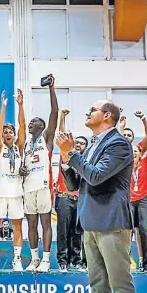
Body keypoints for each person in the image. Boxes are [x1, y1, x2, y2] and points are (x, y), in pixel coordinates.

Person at [57, 99, 137, 293]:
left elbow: (95, 176)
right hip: (91, 222)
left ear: (106, 116)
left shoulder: (118, 144)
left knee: (121, 286)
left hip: (112, 222)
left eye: (92, 109)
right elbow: (76, 183)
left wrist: (73, 154)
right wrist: (66, 158)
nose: (87, 112)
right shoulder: (93, 144)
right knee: (98, 284)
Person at [21, 74, 59, 273]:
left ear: (42, 127)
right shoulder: (26, 144)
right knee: (31, 224)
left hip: (44, 185)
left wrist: (51, 89)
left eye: (34, 121)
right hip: (28, 187)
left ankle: (46, 260)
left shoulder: (47, 140)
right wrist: (21, 170)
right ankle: (34, 259)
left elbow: (54, 112)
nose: (30, 123)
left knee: (45, 223)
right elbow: (22, 166)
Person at [0, 89, 25, 271]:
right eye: (5, 132)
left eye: (10, 131)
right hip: (0, 193)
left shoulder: (19, 147)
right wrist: (3, 107)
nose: (7, 133)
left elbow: (23, 124)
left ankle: (17, 259)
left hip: (16, 194)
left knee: (17, 226)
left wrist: (20, 105)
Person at [55, 108, 88, 272]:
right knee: (63, 231)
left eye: (83, 143)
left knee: (77, 232)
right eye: (77, 143)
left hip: (81, 200)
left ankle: (76, 260)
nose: (79, 145)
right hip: (64, 197)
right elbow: (62, 136)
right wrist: (62, 117)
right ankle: (63, 261)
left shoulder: (86, 161)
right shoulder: (66, 154)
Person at [129, 141, 147, 272]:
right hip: (129, 200)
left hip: (144, 199)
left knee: (145, 230)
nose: (133, 153)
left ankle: (146, 263)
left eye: (136, 151)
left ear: (140, 154)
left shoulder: (145, 163)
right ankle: (124, 264)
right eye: (131, 150)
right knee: (127, 232)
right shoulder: (124, 165)